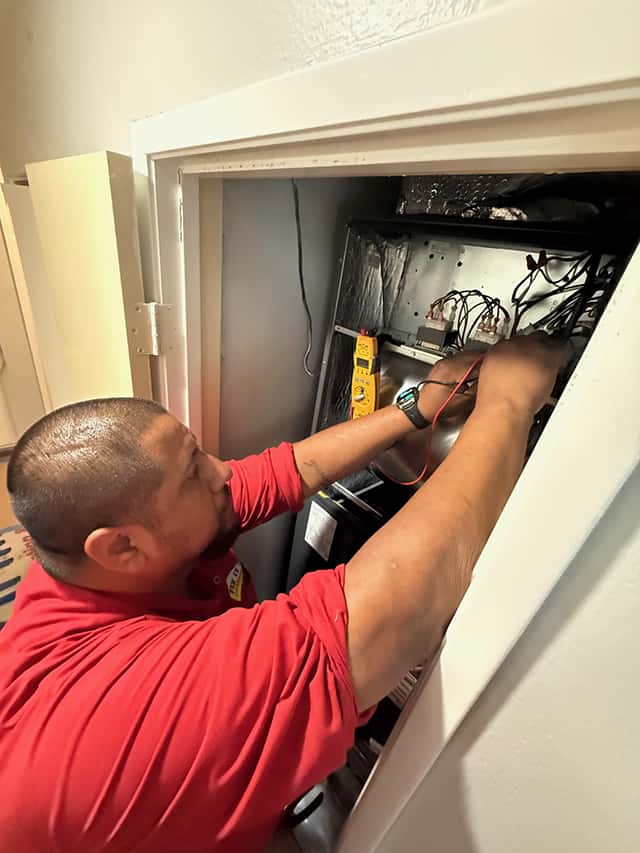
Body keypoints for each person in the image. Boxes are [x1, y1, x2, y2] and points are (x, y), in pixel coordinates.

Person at [0, 334, 563, 852]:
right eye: (194, 473)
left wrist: (415, 408)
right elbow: (396, 606)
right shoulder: (125, 708)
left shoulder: (97, 561)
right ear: (120, 548)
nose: (222, 471)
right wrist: (508, 404)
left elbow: (285, 471)